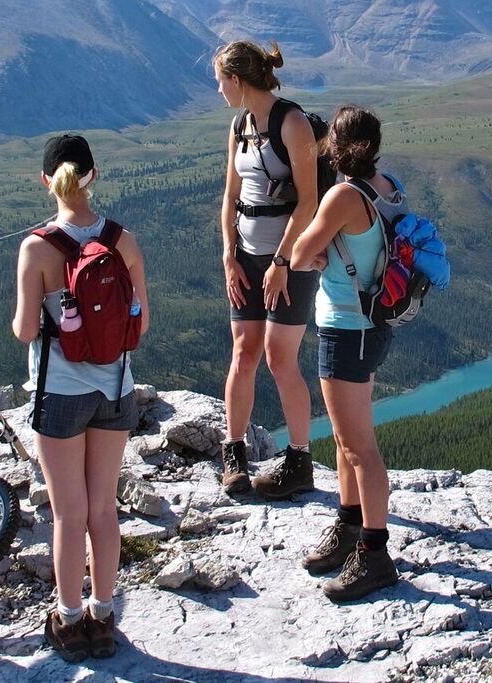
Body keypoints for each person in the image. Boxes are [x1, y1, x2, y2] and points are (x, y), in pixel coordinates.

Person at [12, 134, 147, 662]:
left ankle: (68, 621)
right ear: (93, 176)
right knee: (103, 508)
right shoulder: (123, 240)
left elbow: (25, 331)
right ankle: (104, 615)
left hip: (61, 392)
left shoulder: (37, 247)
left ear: (47, 181)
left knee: (69, 513)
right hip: (116, 389)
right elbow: (142, 324)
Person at [289, 106, 401, 603]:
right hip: (371, 324)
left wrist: (316, 243)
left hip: (346, 327)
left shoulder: (343, 195)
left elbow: (298, 253)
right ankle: (349, 526)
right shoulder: (385, 185)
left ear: (337, 145)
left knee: (359, 447)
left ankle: (375, 555)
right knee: (344, 437)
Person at [214, 41, 322, 499]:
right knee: (244, 352)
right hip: (246, 254)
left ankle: (300, 458)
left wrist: (280, 262)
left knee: (279, 357)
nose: (219, 89)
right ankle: (234, 452)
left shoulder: (292, 123)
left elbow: (310, 201)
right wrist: (228, 252)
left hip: (290, 259)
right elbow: (230, 195)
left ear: (237, 80)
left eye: (220, 81)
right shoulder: (240, 126)